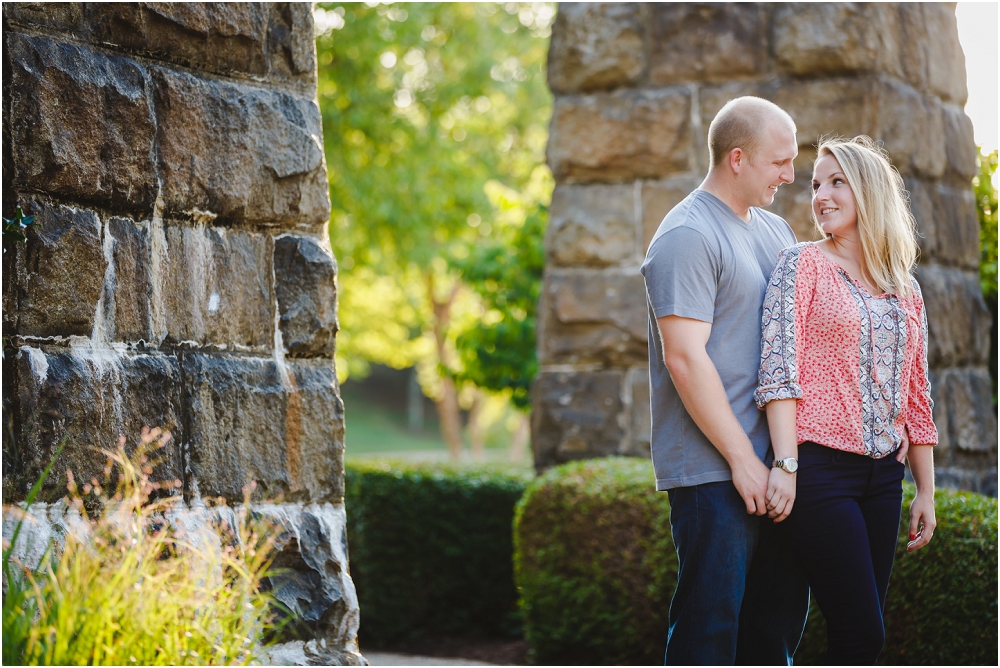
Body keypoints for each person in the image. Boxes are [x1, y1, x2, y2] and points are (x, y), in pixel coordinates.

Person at [640, 96, 810, 666]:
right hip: (716, 471)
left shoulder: (777, 231)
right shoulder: (686, 235)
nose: (790, 176)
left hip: (779, 470)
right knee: (709, 633)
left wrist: (784, 463)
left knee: (774, 630)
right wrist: (743, 461)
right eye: (778, 163)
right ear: (737, 158)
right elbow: (684, 358)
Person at [755, 135, 938, 664]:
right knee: (863, 634)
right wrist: (786, 465)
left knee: (856, 636)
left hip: (884, 478)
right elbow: (778, 370)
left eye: (837, 182)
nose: (821, 195)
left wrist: (924, 489)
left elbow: (916, 392)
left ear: (870, 192)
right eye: (816, 184)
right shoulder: (802, 265)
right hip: (818, 473)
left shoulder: (905, 287)